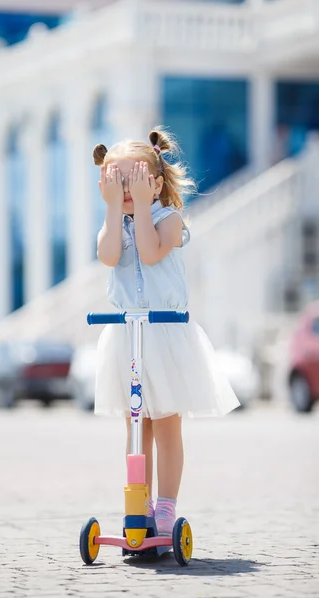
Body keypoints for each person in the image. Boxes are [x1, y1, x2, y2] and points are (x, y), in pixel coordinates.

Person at [93, 127, 239, 535]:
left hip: (165, 334)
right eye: (116, 182)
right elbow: (107, 257)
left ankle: (165, 508)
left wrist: (141, 206)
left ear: (155, 183)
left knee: (166, 423)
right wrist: (112, 209)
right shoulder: (113, 223)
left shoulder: (169, 219)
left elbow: (151, 251)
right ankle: (138, 502)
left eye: (133, 180)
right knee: (136, 424)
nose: (125, 190)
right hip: (128, 336)